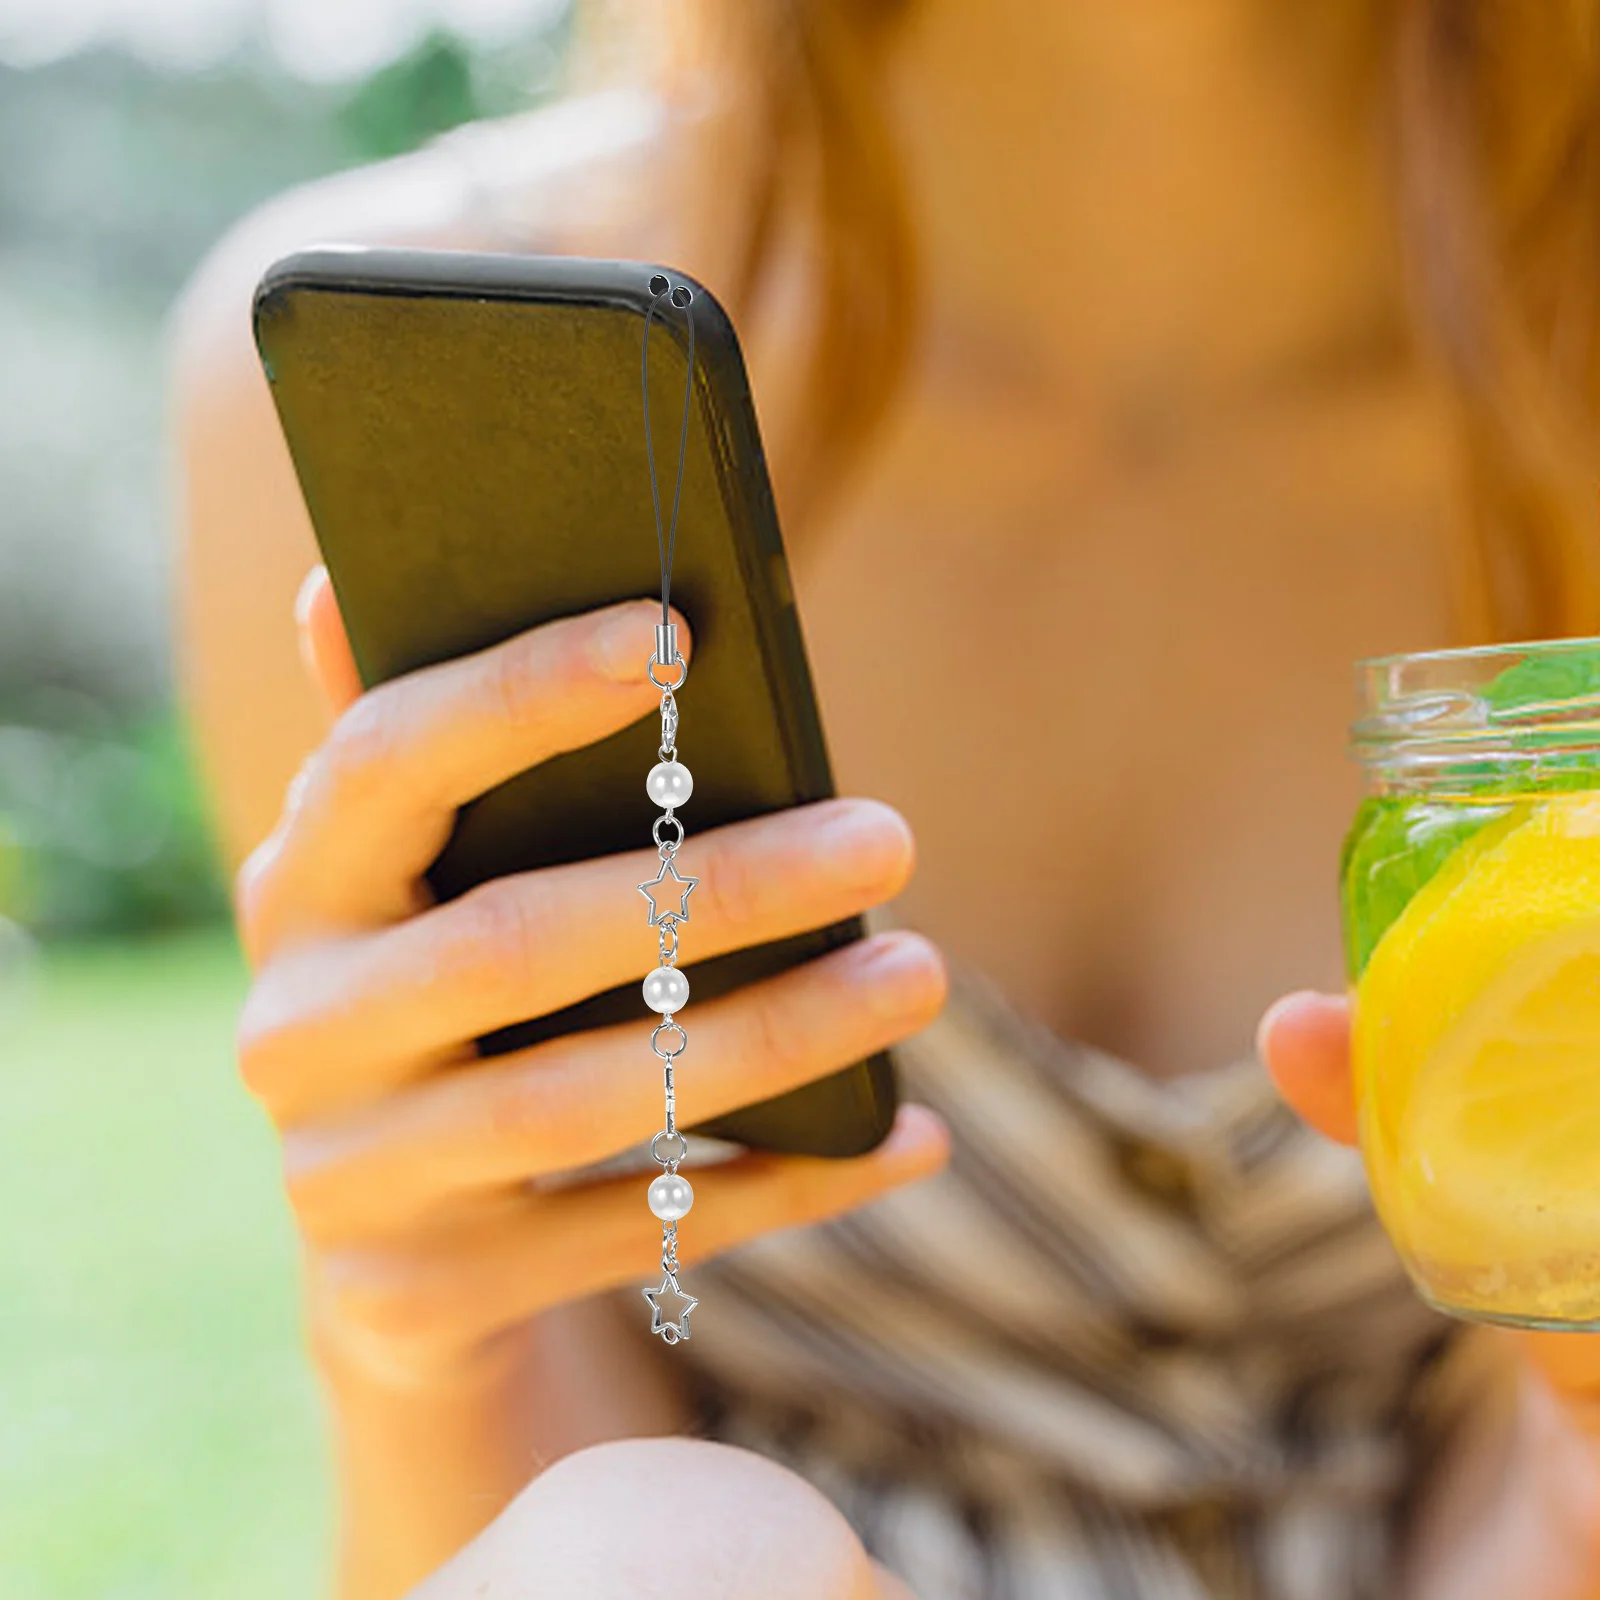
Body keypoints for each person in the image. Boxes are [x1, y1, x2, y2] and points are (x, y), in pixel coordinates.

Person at [172, 3, 1600, 1597]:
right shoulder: (419, 380)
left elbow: (1557, 1463)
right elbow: (505, 1505)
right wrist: (425, 1346)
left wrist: (1574, 1475)